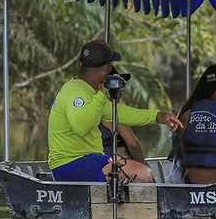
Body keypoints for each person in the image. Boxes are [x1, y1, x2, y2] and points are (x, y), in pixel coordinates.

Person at [48, 40, 182, 183]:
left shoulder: (88, 92)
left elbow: (121, 113)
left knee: (136, 172)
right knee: (144, 174)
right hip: (72, 165)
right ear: (106, 67)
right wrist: (102, 94)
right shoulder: (76, 92)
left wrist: (158, 116)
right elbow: (81, 126)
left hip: (86, 162)